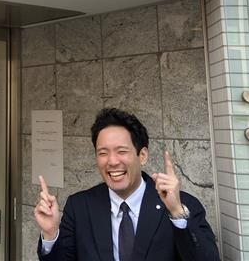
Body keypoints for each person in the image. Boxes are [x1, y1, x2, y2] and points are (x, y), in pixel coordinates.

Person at [35, 108, 220, 261]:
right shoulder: (79, 207)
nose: (112, 161)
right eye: (103, 153)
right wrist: (50, 234)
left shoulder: (182, 206)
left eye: (121, 151)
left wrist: (177, 213)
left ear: (142, 156)